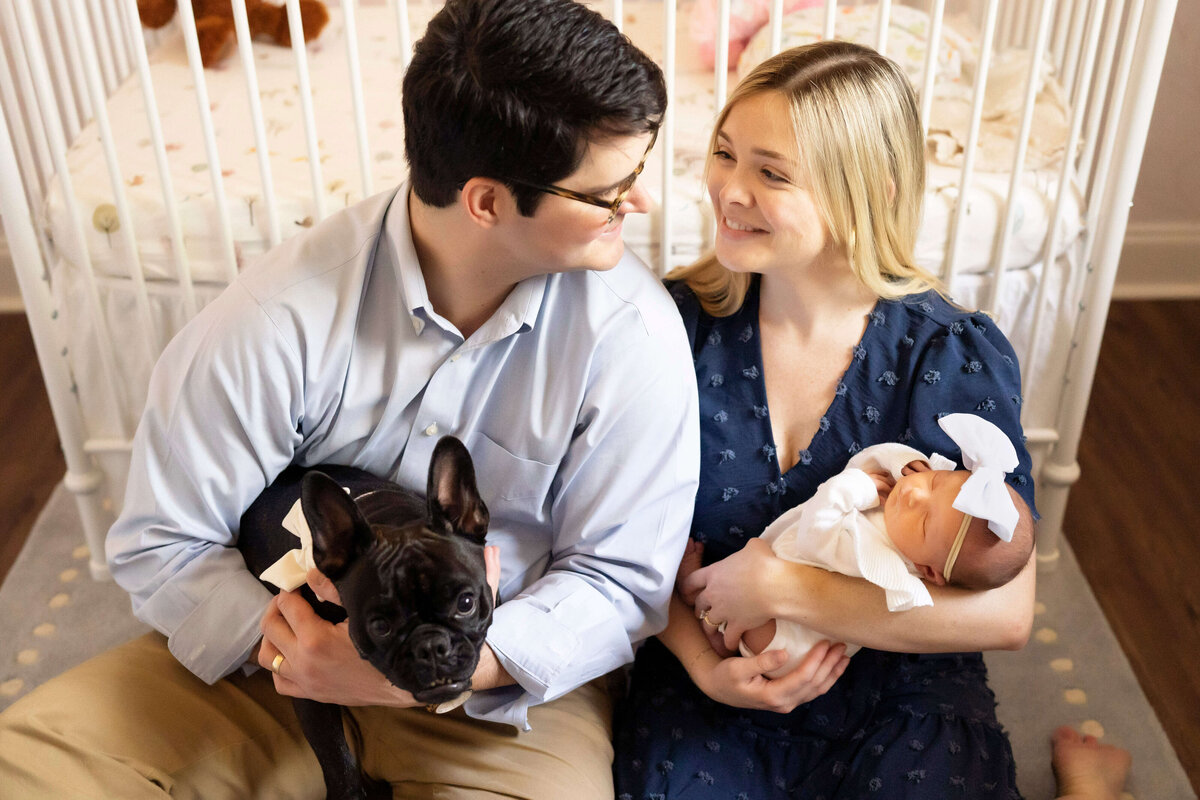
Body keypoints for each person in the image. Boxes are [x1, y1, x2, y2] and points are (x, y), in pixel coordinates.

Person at [0, 1, 700, 797]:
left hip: (501, 687)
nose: (636, 206)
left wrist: (472, 662)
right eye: (609, 191)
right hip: (270, 662)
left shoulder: (632, 336)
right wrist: (299, 651)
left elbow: (622, 578)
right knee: (29, 770)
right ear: (487, 201)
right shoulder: (276, 318)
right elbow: (163, 541)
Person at [612, 40, 1127, 799]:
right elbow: (617, 542)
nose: (729, 190)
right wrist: (707, 671)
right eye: (725, 153)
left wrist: (784, 589)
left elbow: (1009, 612)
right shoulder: (669, 329)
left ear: (869, 192)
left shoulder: (950, 353)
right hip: (714, 674)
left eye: (772, 173)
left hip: (900, 684)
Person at [678, 412, 1036, 678]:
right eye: (937, 481)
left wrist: (857, 488)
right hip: (771, 579)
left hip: (791, 643)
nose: (914, 494)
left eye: (925, 521)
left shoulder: (877, 559)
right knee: (734, 585)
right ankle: (711, 616)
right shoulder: (905, 517)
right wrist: (901, 462)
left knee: (746, 629)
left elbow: (816, 532)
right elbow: (867, 461)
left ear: (928, 570)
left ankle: (718, 635)